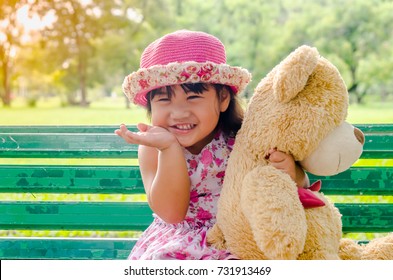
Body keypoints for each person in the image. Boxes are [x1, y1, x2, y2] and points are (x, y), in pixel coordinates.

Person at [116, 30, 309, 260]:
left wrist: (291, 171)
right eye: (164, 99)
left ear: (223, 99)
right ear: (150, 106)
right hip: (175, 243)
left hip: (237, 239)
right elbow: (172, 213)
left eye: (193, 97)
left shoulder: (244, 139)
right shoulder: (151, 147)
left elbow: (300, 185)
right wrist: (168, 149)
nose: (179, 112)